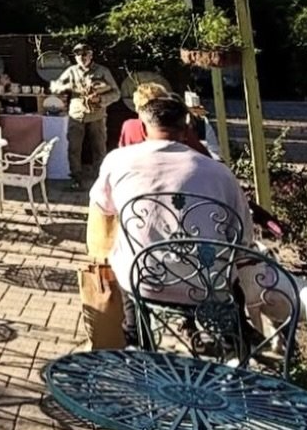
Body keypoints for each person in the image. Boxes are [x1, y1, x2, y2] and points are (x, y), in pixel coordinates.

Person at [86, 95, 253, 314]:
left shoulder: (118, 161)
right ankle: (232, 341)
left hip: (143, 281)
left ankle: (136, 337)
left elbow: (103, 208)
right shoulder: (219, 173)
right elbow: (243, 236)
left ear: (143, 129)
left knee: (126, 259)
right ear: (186, 129)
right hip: (209, 285)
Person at [52, 43, 121, 189]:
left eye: (84, 54)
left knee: (99, 148)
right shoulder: (71, 71)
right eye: (78, 55)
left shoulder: (103, 71)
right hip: (76, 114)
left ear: (91, 55)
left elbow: (116, 93)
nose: (81, 58)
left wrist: (101, 99)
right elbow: (55, 87)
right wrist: (66, 87)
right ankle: (76, 178)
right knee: (74, 148)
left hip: (97, 114)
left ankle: (100, 180)